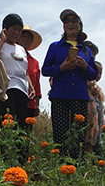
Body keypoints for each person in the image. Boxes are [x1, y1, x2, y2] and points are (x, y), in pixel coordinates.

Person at [42, 9, 98, 158]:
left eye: (74, 20)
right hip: (60, 95)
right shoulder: (55, 47)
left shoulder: (86, 51)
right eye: (67, 21)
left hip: (80, 96)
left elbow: (94, 73)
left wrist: (85, 67)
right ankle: (59, 166)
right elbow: (45, 70)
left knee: (78, 135)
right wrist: (61, 68)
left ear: (80, 26)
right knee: (60, 134)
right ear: (63, 26)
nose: (70, 23)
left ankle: (76, 168)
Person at [0, 14, 34, 129]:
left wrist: (31, 87)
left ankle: (21, 148)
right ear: (5, 28)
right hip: (6, 89)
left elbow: (24, 69)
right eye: (14, 29)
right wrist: (2, 41)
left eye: (19, 30)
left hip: (22, 89)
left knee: (21, 126)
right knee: (7, 124)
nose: (17, 33)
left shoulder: (21, 49)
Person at [18, 26, 42, 121]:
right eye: (23, 36)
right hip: (15, 98)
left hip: (30, 103)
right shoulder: (11, 56)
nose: (26, 39)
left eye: (29, 37)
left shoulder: (34, 62)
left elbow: (37, 85)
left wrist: (37, 104)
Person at [85, 62, 105, 154]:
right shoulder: (89, 85)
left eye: (100, 73)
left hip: (97, 119)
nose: (98, 75)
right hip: (91, 118)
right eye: (96, 72)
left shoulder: (97, 88)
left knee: (98, 139)